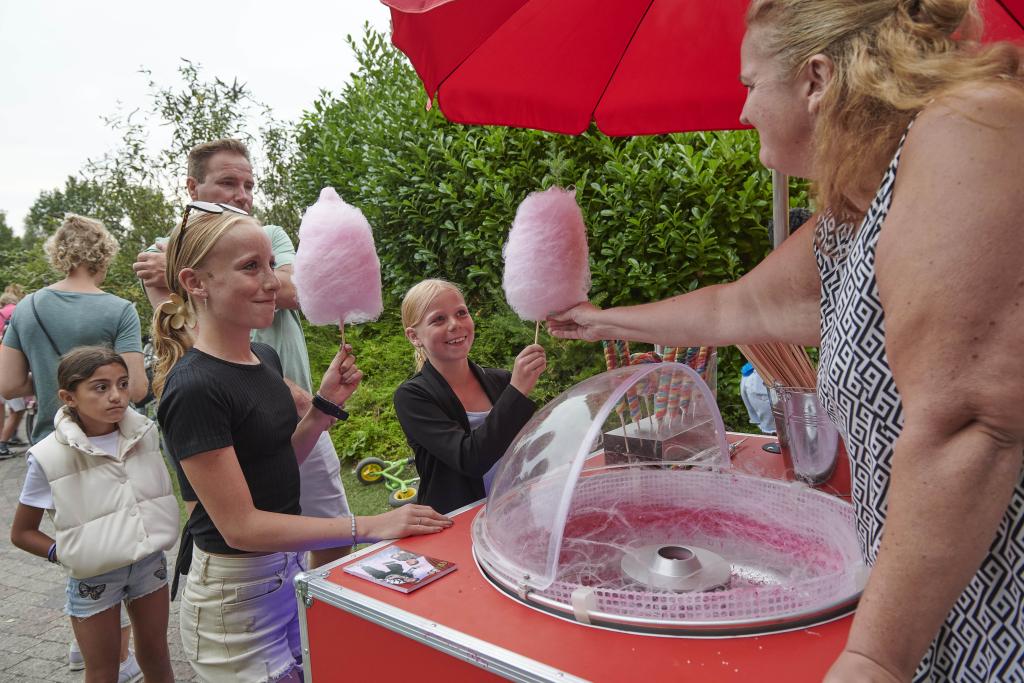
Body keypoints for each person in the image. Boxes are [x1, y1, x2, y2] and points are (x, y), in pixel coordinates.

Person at [550, 2, 1024, 681]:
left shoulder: (969, 127)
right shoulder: (858, 214)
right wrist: (602, 321)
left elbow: (969, 421)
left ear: (816, 79)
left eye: (748, 84)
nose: (742, 110)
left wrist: (873, 657)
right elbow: (733, 308)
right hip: (943, 612)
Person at [153, 205, 451, 682]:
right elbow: (241, 527)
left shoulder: (263, 356)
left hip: (283, 572)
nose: (273, 281)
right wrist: (370, 525)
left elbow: (275, 467)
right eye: (251, 266)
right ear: (195, 282)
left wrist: (322, 409)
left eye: (271, 264)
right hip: (236, 599)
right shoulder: (194, 388)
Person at [133, 138, 352, 569]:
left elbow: (297, 291)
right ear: (193, 188)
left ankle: (319, 616)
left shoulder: (267, 235)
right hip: (225, 418)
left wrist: (309, 400)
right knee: (241, 542)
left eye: (249, 185)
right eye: (229, 182)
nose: (243, 195)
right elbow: (178, 334)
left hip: (298, 406)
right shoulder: (165, 254)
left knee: (324, 522)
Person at [0, 214, 147, 676]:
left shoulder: (27, 309)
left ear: (59, 254)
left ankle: (85, 643)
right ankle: (115, 657)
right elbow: (136, 389)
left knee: (78, 546)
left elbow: (8, 386)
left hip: (51, 443)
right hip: (105, 446)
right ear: (104, 255)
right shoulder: (119, 310)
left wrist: (47, 376)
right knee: (115, 548)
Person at [10, 347, 176, 683]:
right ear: (68, 397)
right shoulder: (48, 456)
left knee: (157, 655)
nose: (116, 396)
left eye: (122, 383)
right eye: (100, 387)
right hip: (94, 578)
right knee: (102, 670)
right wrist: (64, 553)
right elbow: (22, 532)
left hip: (148, 562)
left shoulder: (143, 434)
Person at [393, 279, 547, 515]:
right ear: (414, 336)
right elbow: (471, 459)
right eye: (438, 319)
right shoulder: (412, 397)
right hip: (459, 519)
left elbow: (525, 449)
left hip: (514, 508)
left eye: (461, 313)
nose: (455, 324)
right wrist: (517, 391)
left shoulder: (501, 380)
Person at [0, 286, 28, 455]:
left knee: (1, 408)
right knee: (18, 409)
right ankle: (3, 444)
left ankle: (6, 439)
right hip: (6, 366)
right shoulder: (18, 312)